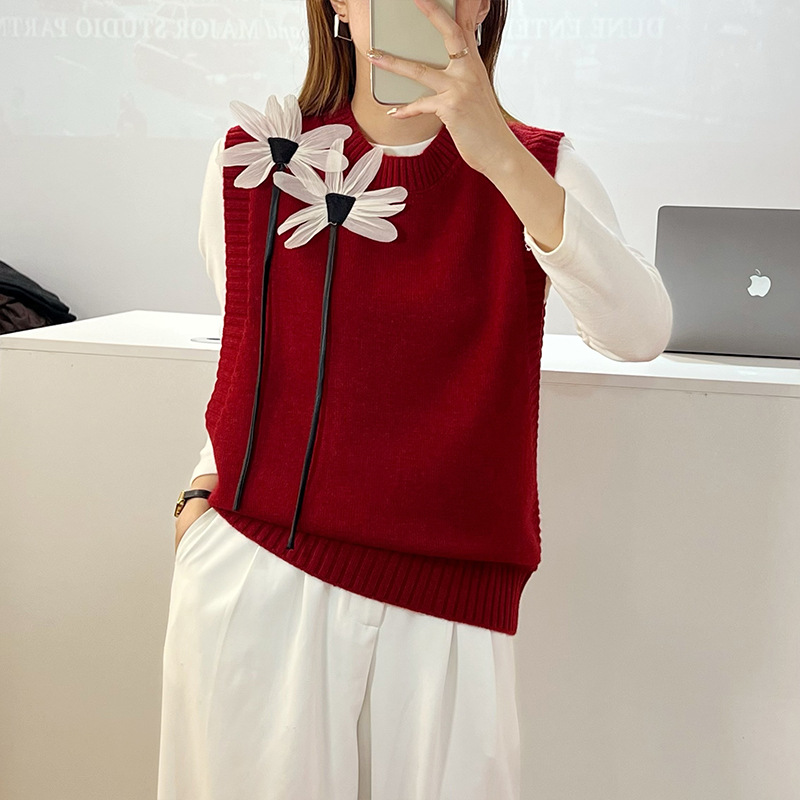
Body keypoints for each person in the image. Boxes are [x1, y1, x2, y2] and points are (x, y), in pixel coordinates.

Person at [157, 1, 673, 798]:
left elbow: (637, 332)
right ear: (339, 5)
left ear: (486, 7)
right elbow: (249, 349)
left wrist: (499, 155)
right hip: (258, 571)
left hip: (448, 605)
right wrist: (204, 489)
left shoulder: (538, 166)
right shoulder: (256, 157)